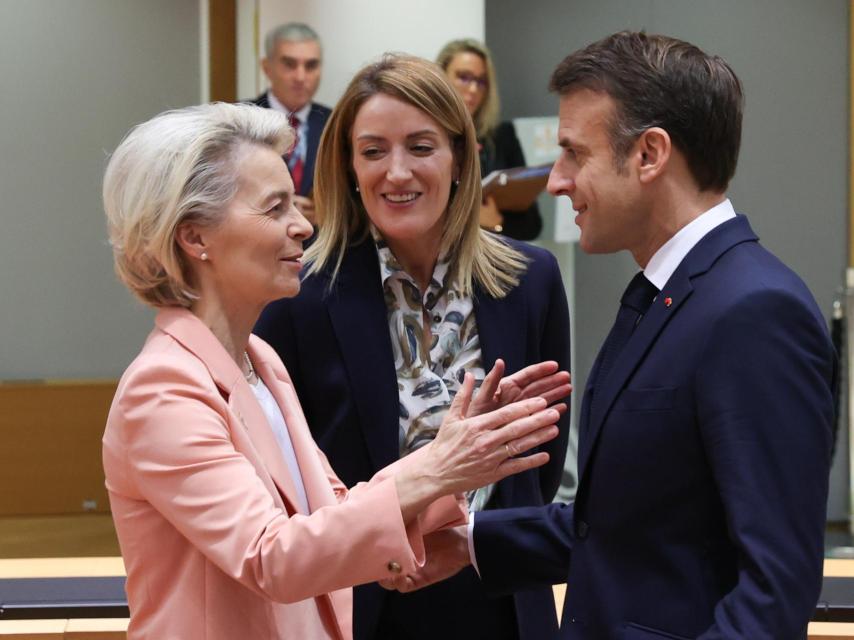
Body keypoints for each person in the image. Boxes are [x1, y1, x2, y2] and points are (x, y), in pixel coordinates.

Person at [388, 31, 838, 639]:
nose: (556, 181)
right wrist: (471, 543)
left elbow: (774, 589)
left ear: (649, 155)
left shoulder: (754, 312)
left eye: (575, 153)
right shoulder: (666, 293)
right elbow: (630, 525)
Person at [100, 101, 567, 640]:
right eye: (275, 209)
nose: (302, 225)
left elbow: (337, 509)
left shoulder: (259, 360)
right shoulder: (163, 389)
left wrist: (461, 462)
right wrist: (437, 465)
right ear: (195, 237)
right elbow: (271, 556)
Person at [254, 54, 571, 640]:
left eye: (421, 147)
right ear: (349, 166)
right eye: (373, 151)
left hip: (501, 599)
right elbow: (286, 480)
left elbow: (539, 466)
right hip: (363, 606)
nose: (396, 172)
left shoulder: (531, 279)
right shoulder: (299, 295)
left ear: (459, 158)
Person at [437, 38, 542, 240]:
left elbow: (532, 225)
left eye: (481, 81)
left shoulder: (503, 137)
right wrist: (469, 219)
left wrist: (496, 223)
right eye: (464, 77)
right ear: (441, 76)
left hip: (493, 261)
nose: (473, 89)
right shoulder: (422, 139)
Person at [250, 22, 330, 224]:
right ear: (267, 68)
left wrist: (328, 215)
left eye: (311, 66)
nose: (301, 76)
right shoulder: (239, 120)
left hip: (318, 246)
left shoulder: (336, 124)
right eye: (289, 64)